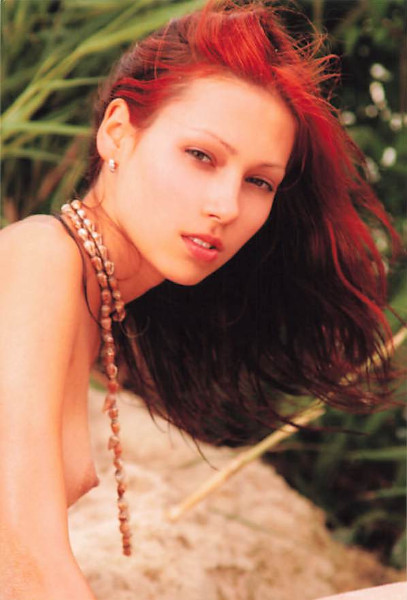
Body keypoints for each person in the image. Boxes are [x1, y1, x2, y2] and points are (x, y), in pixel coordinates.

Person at [0, 1, 401, 598]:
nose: (227, 206)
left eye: (258, 181)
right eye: (201, 156)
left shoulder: (92, 302)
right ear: (117, 133)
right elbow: (22, 562)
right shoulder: (37, 258)